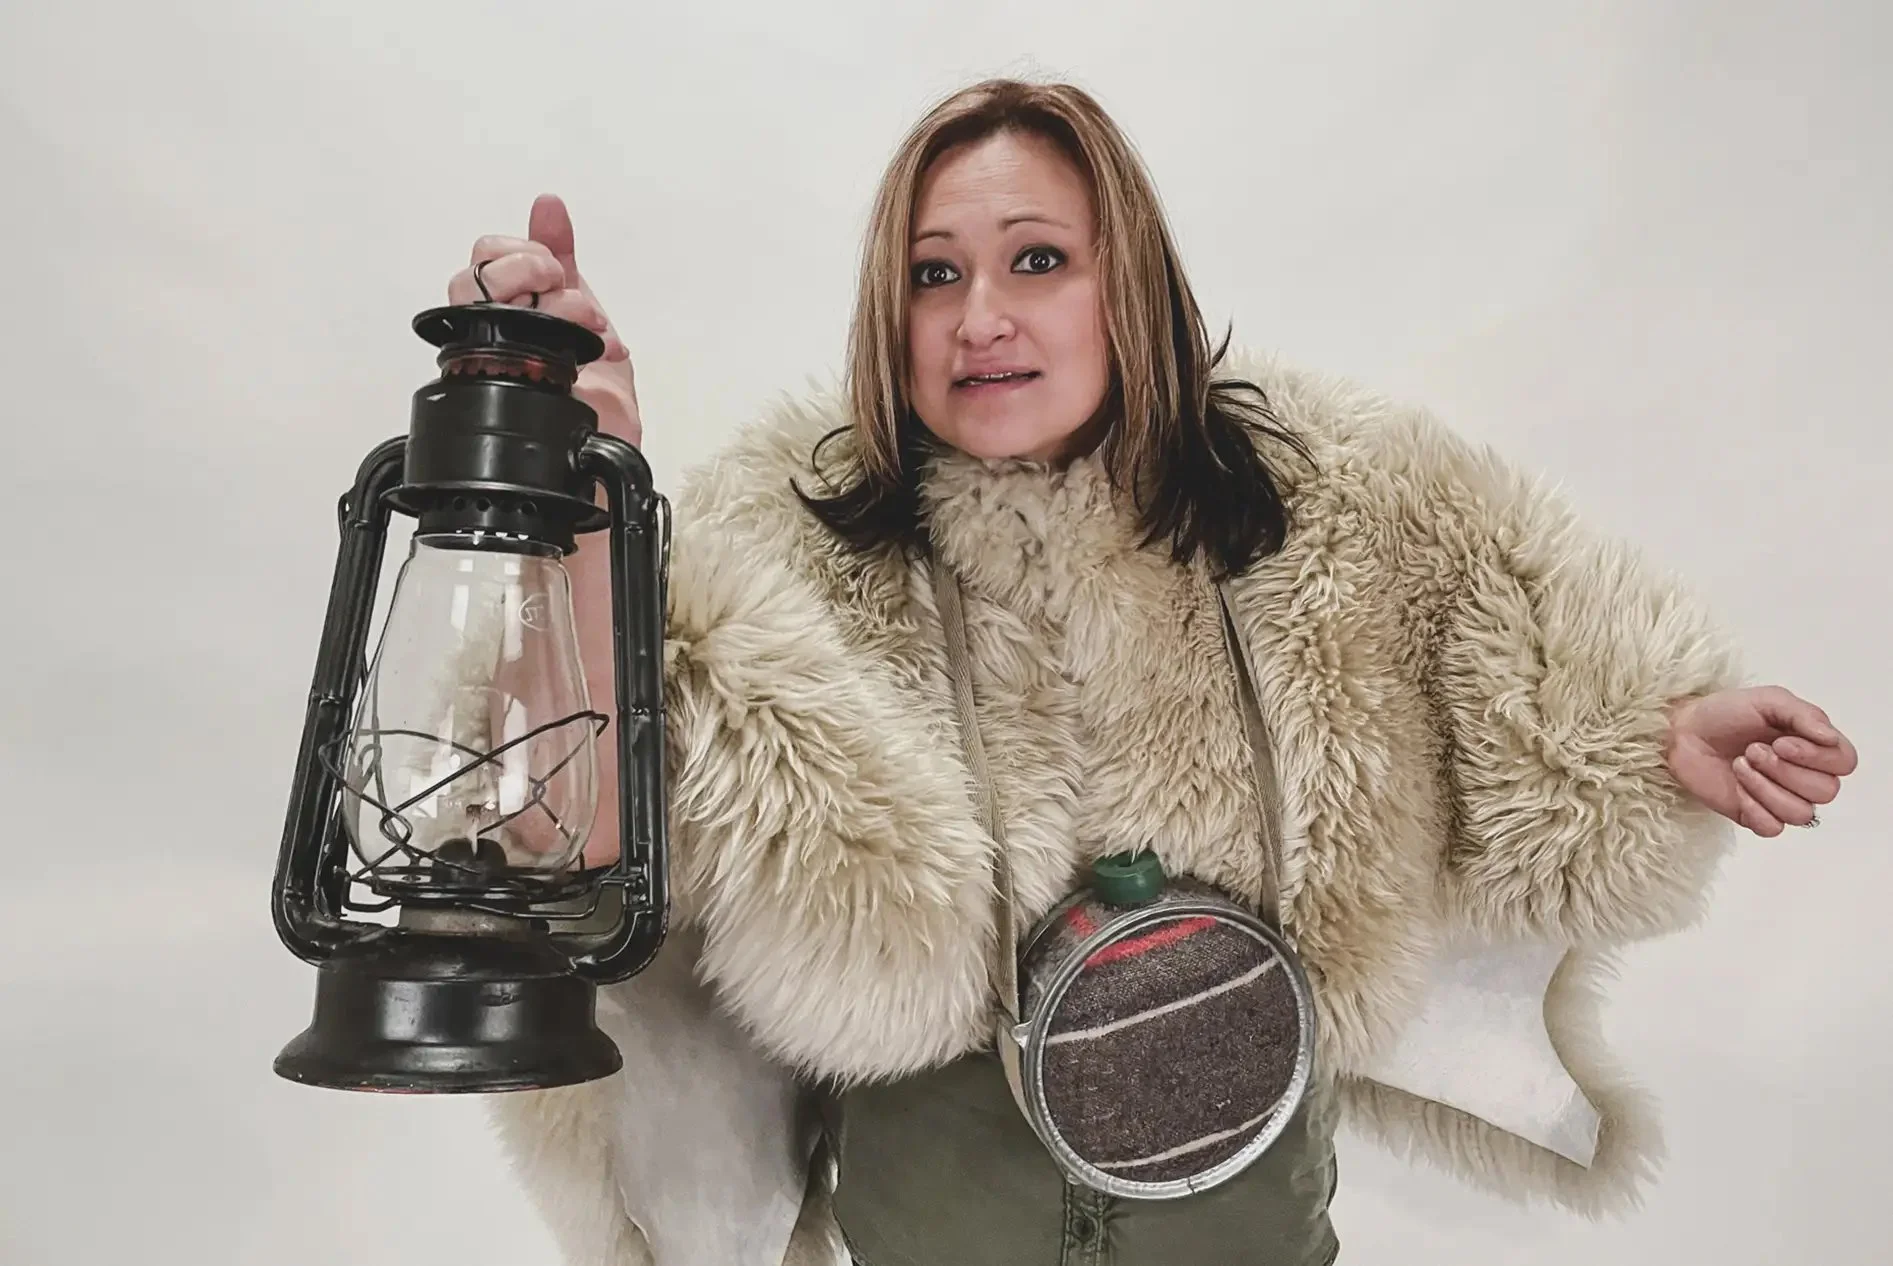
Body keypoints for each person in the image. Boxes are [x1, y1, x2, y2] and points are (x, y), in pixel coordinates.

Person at [450, 79, 1857, 1265]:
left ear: (1128, 275)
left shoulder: (1326, 506)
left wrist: (1656, 736)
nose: (980, 315)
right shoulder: (792, 544)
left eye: (1036, 259)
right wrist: (582, 487)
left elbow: (1511, 671)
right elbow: (572, 819)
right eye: (934, 273)